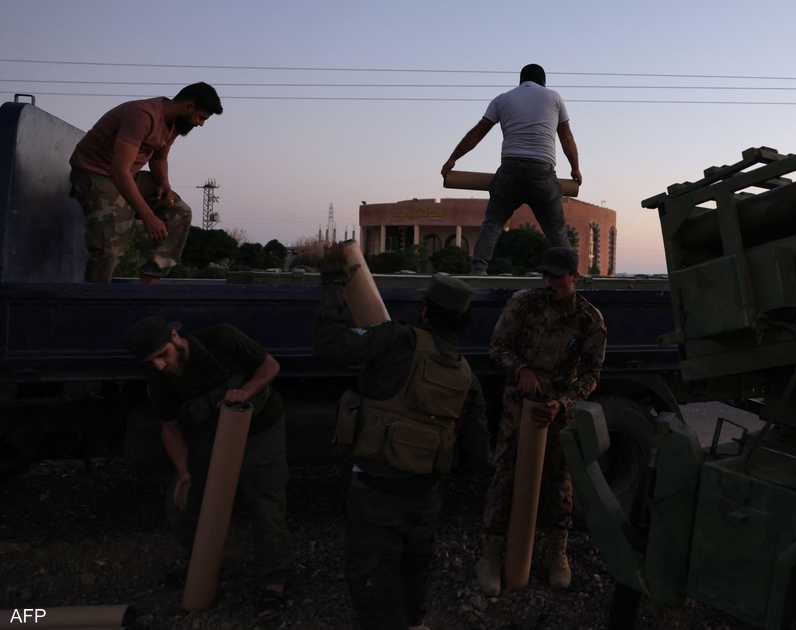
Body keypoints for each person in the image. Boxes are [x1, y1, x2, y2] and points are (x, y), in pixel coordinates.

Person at [314, 247, 489, 630]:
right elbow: (478, 455)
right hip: (425, 495)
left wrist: (332, 285)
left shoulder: (397, 340)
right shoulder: (467, 377)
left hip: (375, 489)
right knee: (414, 572)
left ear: (424, 311)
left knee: (371, 580)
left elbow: (330, 346)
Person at [125, 316, 291, 625]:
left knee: (265, 501)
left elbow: (270, 366)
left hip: (260, 428)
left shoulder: (222, 339)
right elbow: (170, 428)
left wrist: (247, 391)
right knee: (185, 502)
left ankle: (274, 581)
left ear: (176, 337)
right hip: (211, 432)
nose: (160, 365)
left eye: (163, 355)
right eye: (152, 361)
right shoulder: (158, 378)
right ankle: (204, 566)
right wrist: (184, 473)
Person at [476, 246, 607, 595]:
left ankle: (555, 552)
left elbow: (592, 375)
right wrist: (520, 369)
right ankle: (491, 552)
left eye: (557, 277)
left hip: (557, 412)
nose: (549, 283)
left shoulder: (589, 319)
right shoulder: (524, 303)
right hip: (518, 407)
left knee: (558, 480)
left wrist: (563, 404)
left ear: (574, 277)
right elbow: (497, 347)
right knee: (505, 474)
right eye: (545, 276)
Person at [71, 83, 223, 283]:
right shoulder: (142, 115)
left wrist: (165, 185)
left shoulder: (174, 123)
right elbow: (119, 171)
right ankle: (96, 295)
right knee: (113, 237)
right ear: (189, 106)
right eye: (201, 117)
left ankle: (151, 281)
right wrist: (148, 216)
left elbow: (159, 158)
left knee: (179, 212)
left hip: (127, 175)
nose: (200, 124)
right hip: (94, 174)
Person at [440, 63, 582, 274]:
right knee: (556, 230)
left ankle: (478, 271)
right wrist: (575, 168)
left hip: (510, 170)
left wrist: (452, 159)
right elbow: (566, 137)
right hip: (542, 172)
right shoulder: (553, 97)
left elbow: (477, 133)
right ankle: (571, 275)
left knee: (493, 223)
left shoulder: (503, 99)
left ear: (520, 81)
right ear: (543, 82)